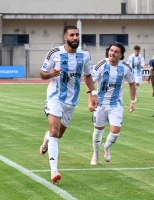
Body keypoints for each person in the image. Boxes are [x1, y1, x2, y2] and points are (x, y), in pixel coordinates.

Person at [38, 25, 99, 184]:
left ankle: (46, 139)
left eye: (77, 35)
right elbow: (42, 74)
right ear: (65, 37)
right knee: (54, 130)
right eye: (72, 35)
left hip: (71, 101)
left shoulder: (84, 55)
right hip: (55, 97)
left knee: (57, 135)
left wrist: (93, 94)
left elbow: (88, 76)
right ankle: (54, 170)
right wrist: (52, 74)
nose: (75, 38)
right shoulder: (54, 53)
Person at [87, 42, 136, 165]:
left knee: (115, 133)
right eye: (111, 50)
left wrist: (132, 101)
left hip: (116, 104)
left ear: (121, 55)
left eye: (116, 51)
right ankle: (96, 153)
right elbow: (90, 83)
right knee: (98, 131)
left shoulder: (125, 67)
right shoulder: (100, 65)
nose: (112, 53)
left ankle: (106, 147)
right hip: (100, 104)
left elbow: (132, 83)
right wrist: (90, 102)